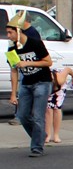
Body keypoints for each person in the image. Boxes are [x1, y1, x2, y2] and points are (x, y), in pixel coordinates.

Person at [6, 10, 53, 157]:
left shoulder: (35, 43)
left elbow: (48, 62)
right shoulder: (12, 48)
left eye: (10, 33)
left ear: (18, 31)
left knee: (38, 116)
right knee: (23, 115)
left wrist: (28, 63)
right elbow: (14, 71)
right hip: (26, 84)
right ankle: (39, 136)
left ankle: (37, 148)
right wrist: (13, 93)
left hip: (42, 82)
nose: (8, 36)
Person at [45, 66, 73, 144]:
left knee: (57, 107)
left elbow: (67, 69)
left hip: (60, 86)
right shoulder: (43, 83)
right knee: (48, 109)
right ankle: (48, 135)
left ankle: (56, 134)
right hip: (47, 85)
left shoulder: (60, 78)